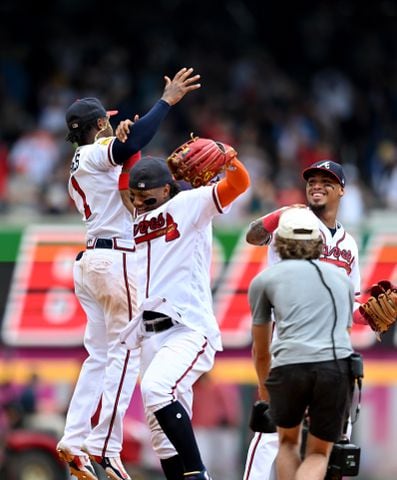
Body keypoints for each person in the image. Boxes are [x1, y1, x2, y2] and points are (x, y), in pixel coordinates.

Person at [56, 67, 201, 480]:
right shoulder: (91, 154)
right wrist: (166, 102)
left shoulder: (79, 162)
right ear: (100, 124)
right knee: (125, 351)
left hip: (93, 261)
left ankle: (74, 438)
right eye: (107, 123)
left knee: (99, 356)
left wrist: (128, 147)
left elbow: (126, 163)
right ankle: (106, 446)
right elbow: (127, 147)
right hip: (116, 259)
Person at [119, 150, 250, 480]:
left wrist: (227, 156)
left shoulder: (191, 203)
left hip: (187, 328)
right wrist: (129, 146)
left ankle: (198, 473)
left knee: (156, 388)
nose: (140, 204)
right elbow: (118, 178)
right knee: (161, 439)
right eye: (135, 197)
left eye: (147, 197)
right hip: (149, 334)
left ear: (166, 189)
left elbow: (239, 183)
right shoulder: (136, 215)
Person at [243, 160, 363, 480]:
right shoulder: (293, 220)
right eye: (312, 180)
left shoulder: (348, 243)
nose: (316, 185)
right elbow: (253, 236)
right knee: (286, 442)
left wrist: (370, 314)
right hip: (304, 348)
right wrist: (280, 213)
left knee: (301, 441)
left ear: (341, 190)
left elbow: (351, 303)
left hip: (307, 354)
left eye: (326, 181)